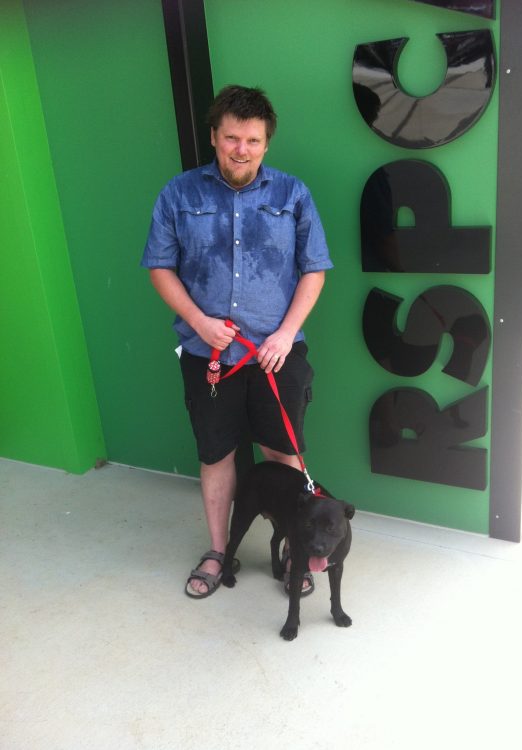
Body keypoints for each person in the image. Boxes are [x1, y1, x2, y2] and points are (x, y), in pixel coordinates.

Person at [142, 84, 333, 598]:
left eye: (252, 140)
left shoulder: (293, 195)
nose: (241, 149)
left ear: (266, 142)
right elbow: (160, 268)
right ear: (214, 136)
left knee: (283, 455)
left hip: (277, 355)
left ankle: (294, 545)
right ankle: (218, 549)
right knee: (216, 454)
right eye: (231, 138)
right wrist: (200, 323)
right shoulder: (178, 194)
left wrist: (287, 334)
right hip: (209, 357)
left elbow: (314, 272)